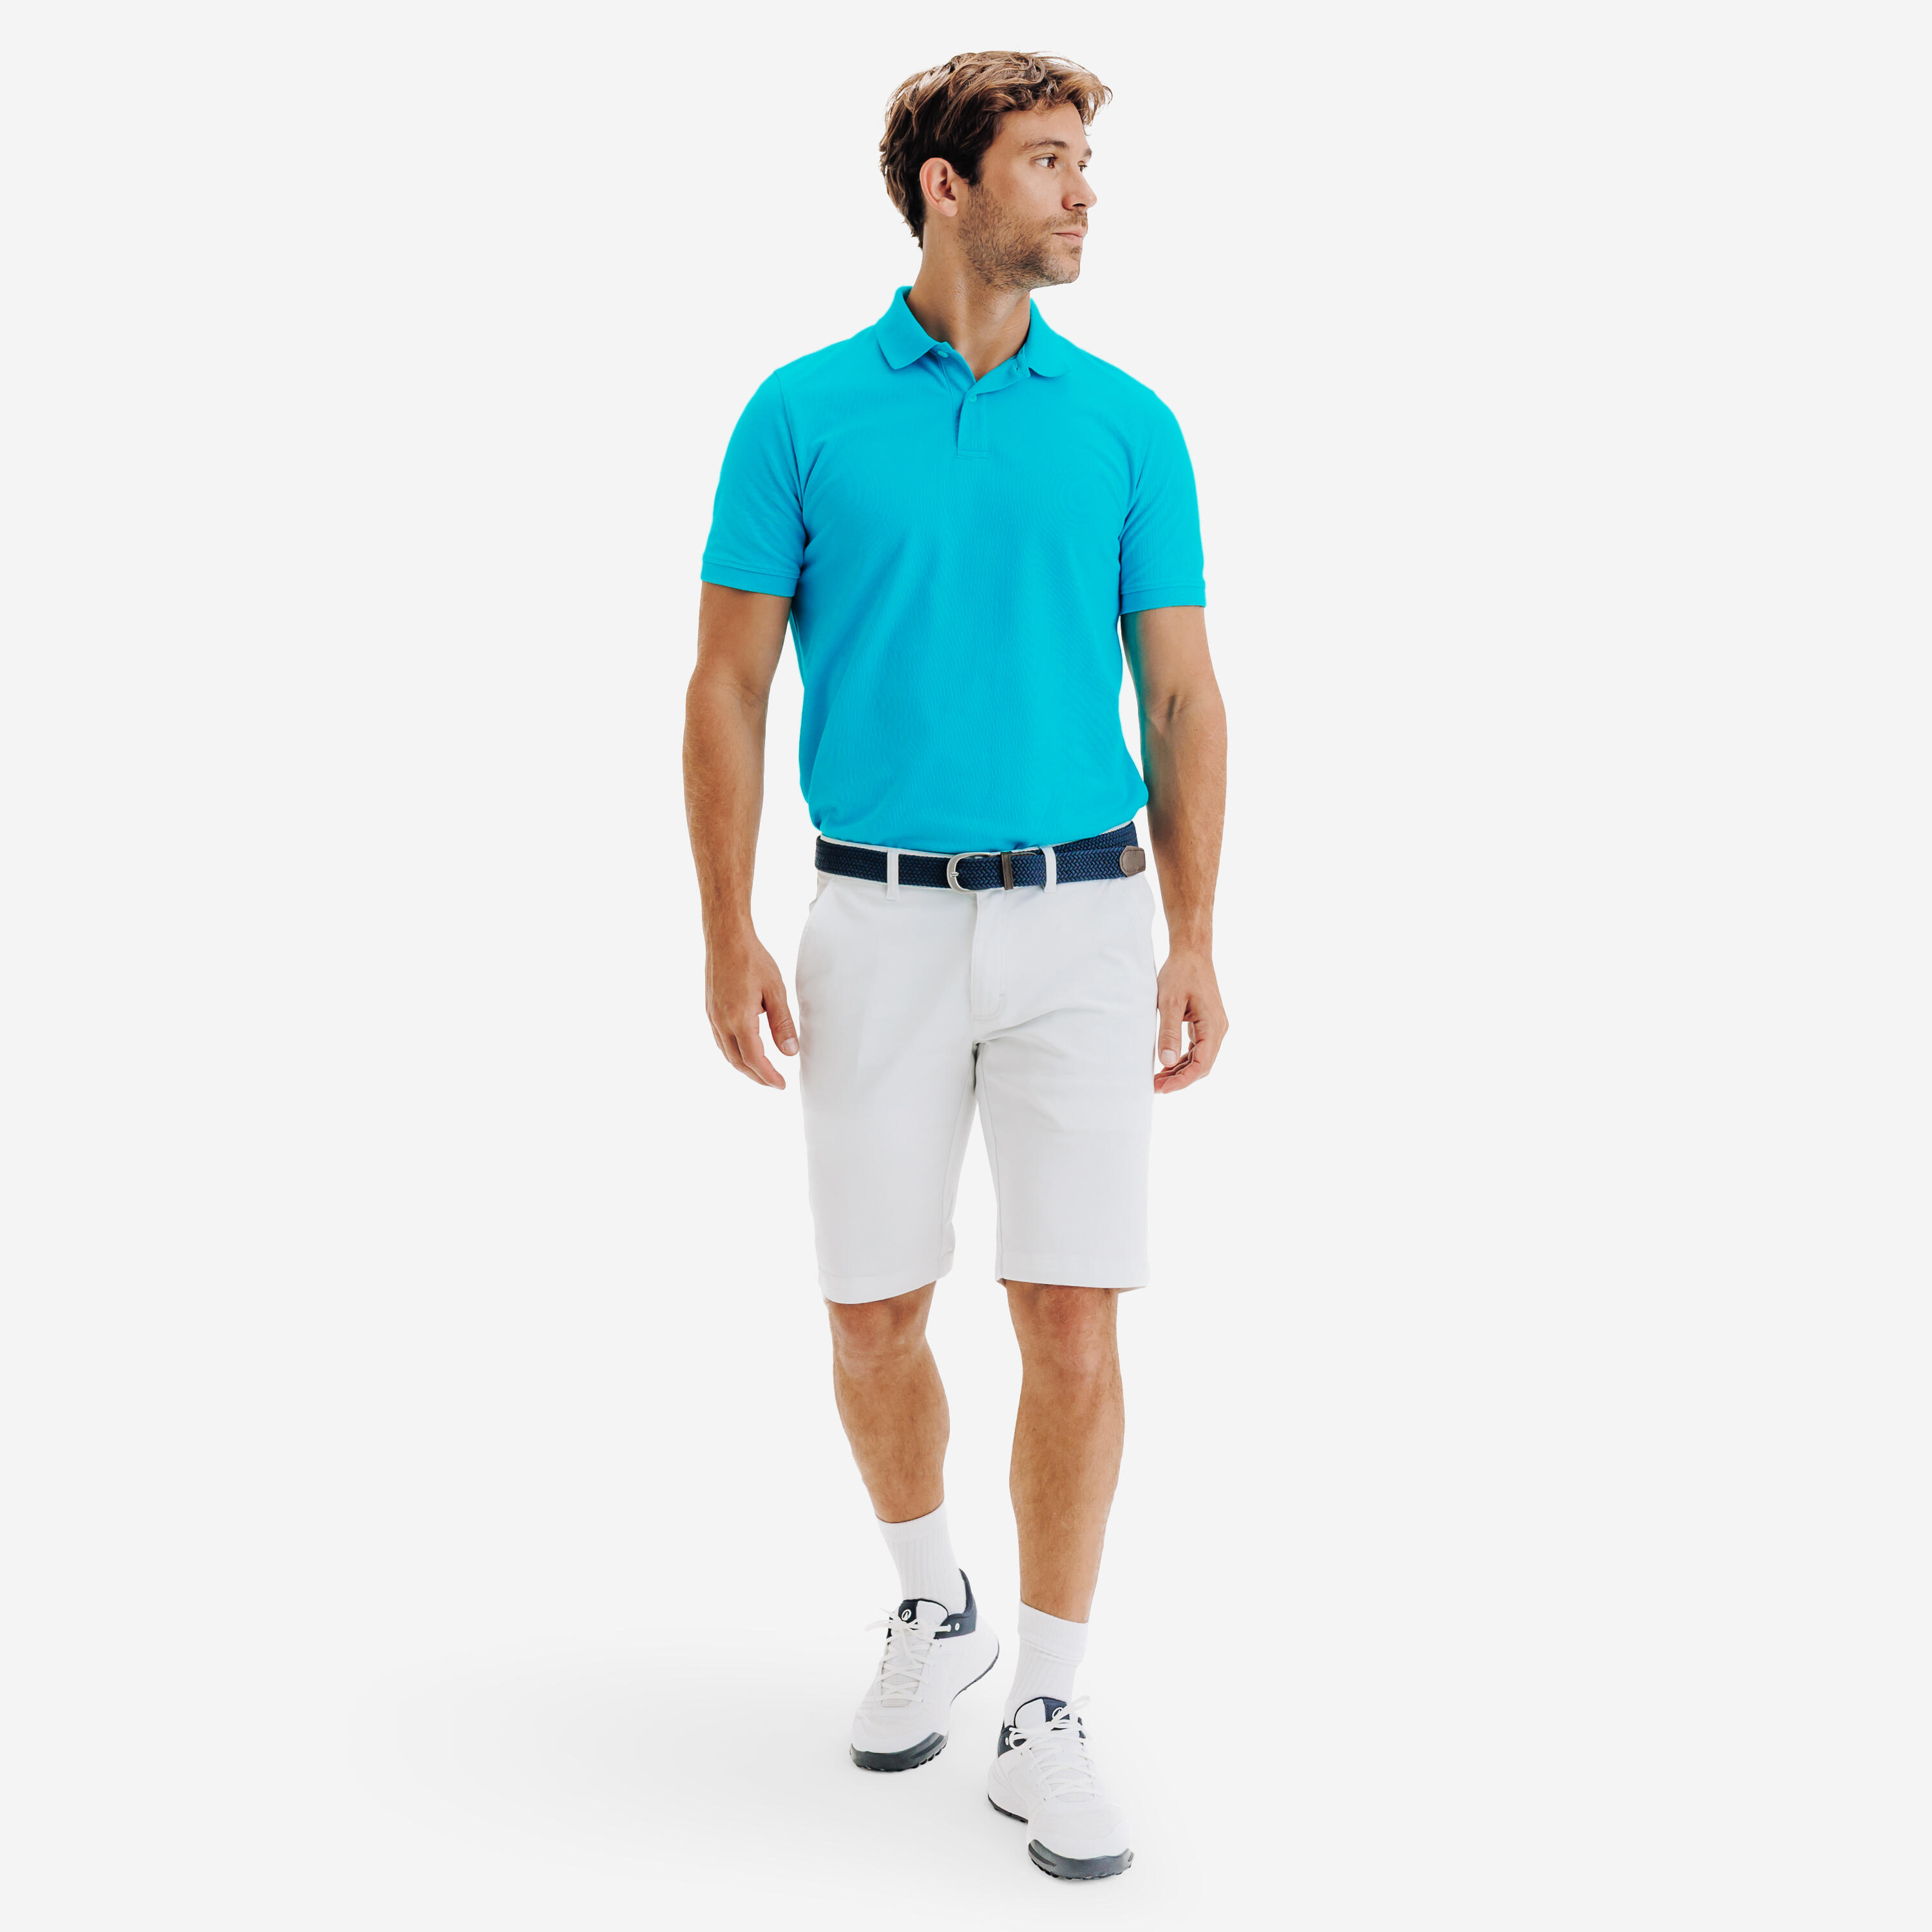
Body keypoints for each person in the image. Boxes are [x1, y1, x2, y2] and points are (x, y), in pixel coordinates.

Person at [683, 50, 1227, 1882]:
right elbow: (727, 684)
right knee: (874, 1313)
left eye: (1084, 161)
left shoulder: (1129, 425)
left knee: (1074, 1316)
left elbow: (1182, 695)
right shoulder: (801, 414)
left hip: (1085, 919)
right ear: (946, 184)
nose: (1084, 193)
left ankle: (1048, 1707)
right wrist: (724, 925)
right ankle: (934, 1602)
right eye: (1050, 161)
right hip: (875, 922)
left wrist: (1196, 934)